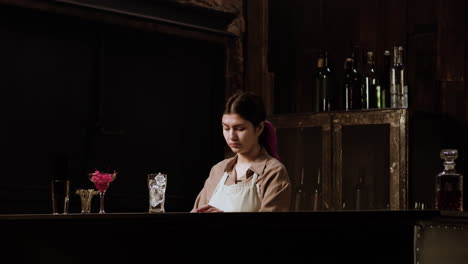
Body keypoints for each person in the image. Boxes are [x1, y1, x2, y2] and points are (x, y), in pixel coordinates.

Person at [192, 90, 291, 212]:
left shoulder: (273, 172)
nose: (231, 136)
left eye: (240, 129)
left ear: (259, 128)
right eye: (226, 128)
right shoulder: (218, 171)